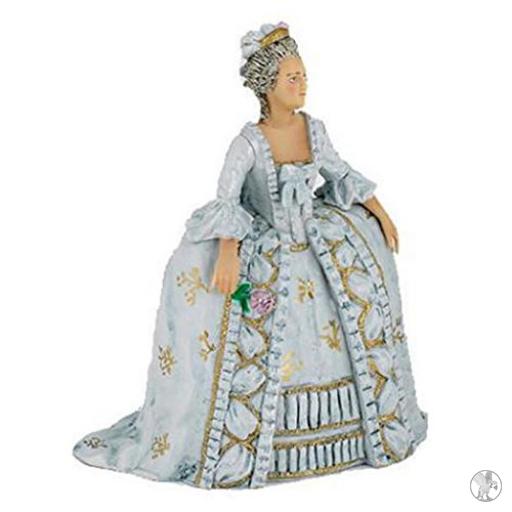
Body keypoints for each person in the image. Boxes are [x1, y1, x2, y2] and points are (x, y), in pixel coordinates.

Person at [72, 21, 427, 490]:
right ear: (268, 85)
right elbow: (228, 201)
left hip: (318, 245)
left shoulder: (314, 130)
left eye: (304, 76)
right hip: (268, 247)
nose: (302, 85)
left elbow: (340, 172)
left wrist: (380, 212)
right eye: (292, 78)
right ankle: (262, 440)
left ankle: (350, 431)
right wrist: (228, 252)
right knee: (255, 325)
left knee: (352, 310)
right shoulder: (248, 144)